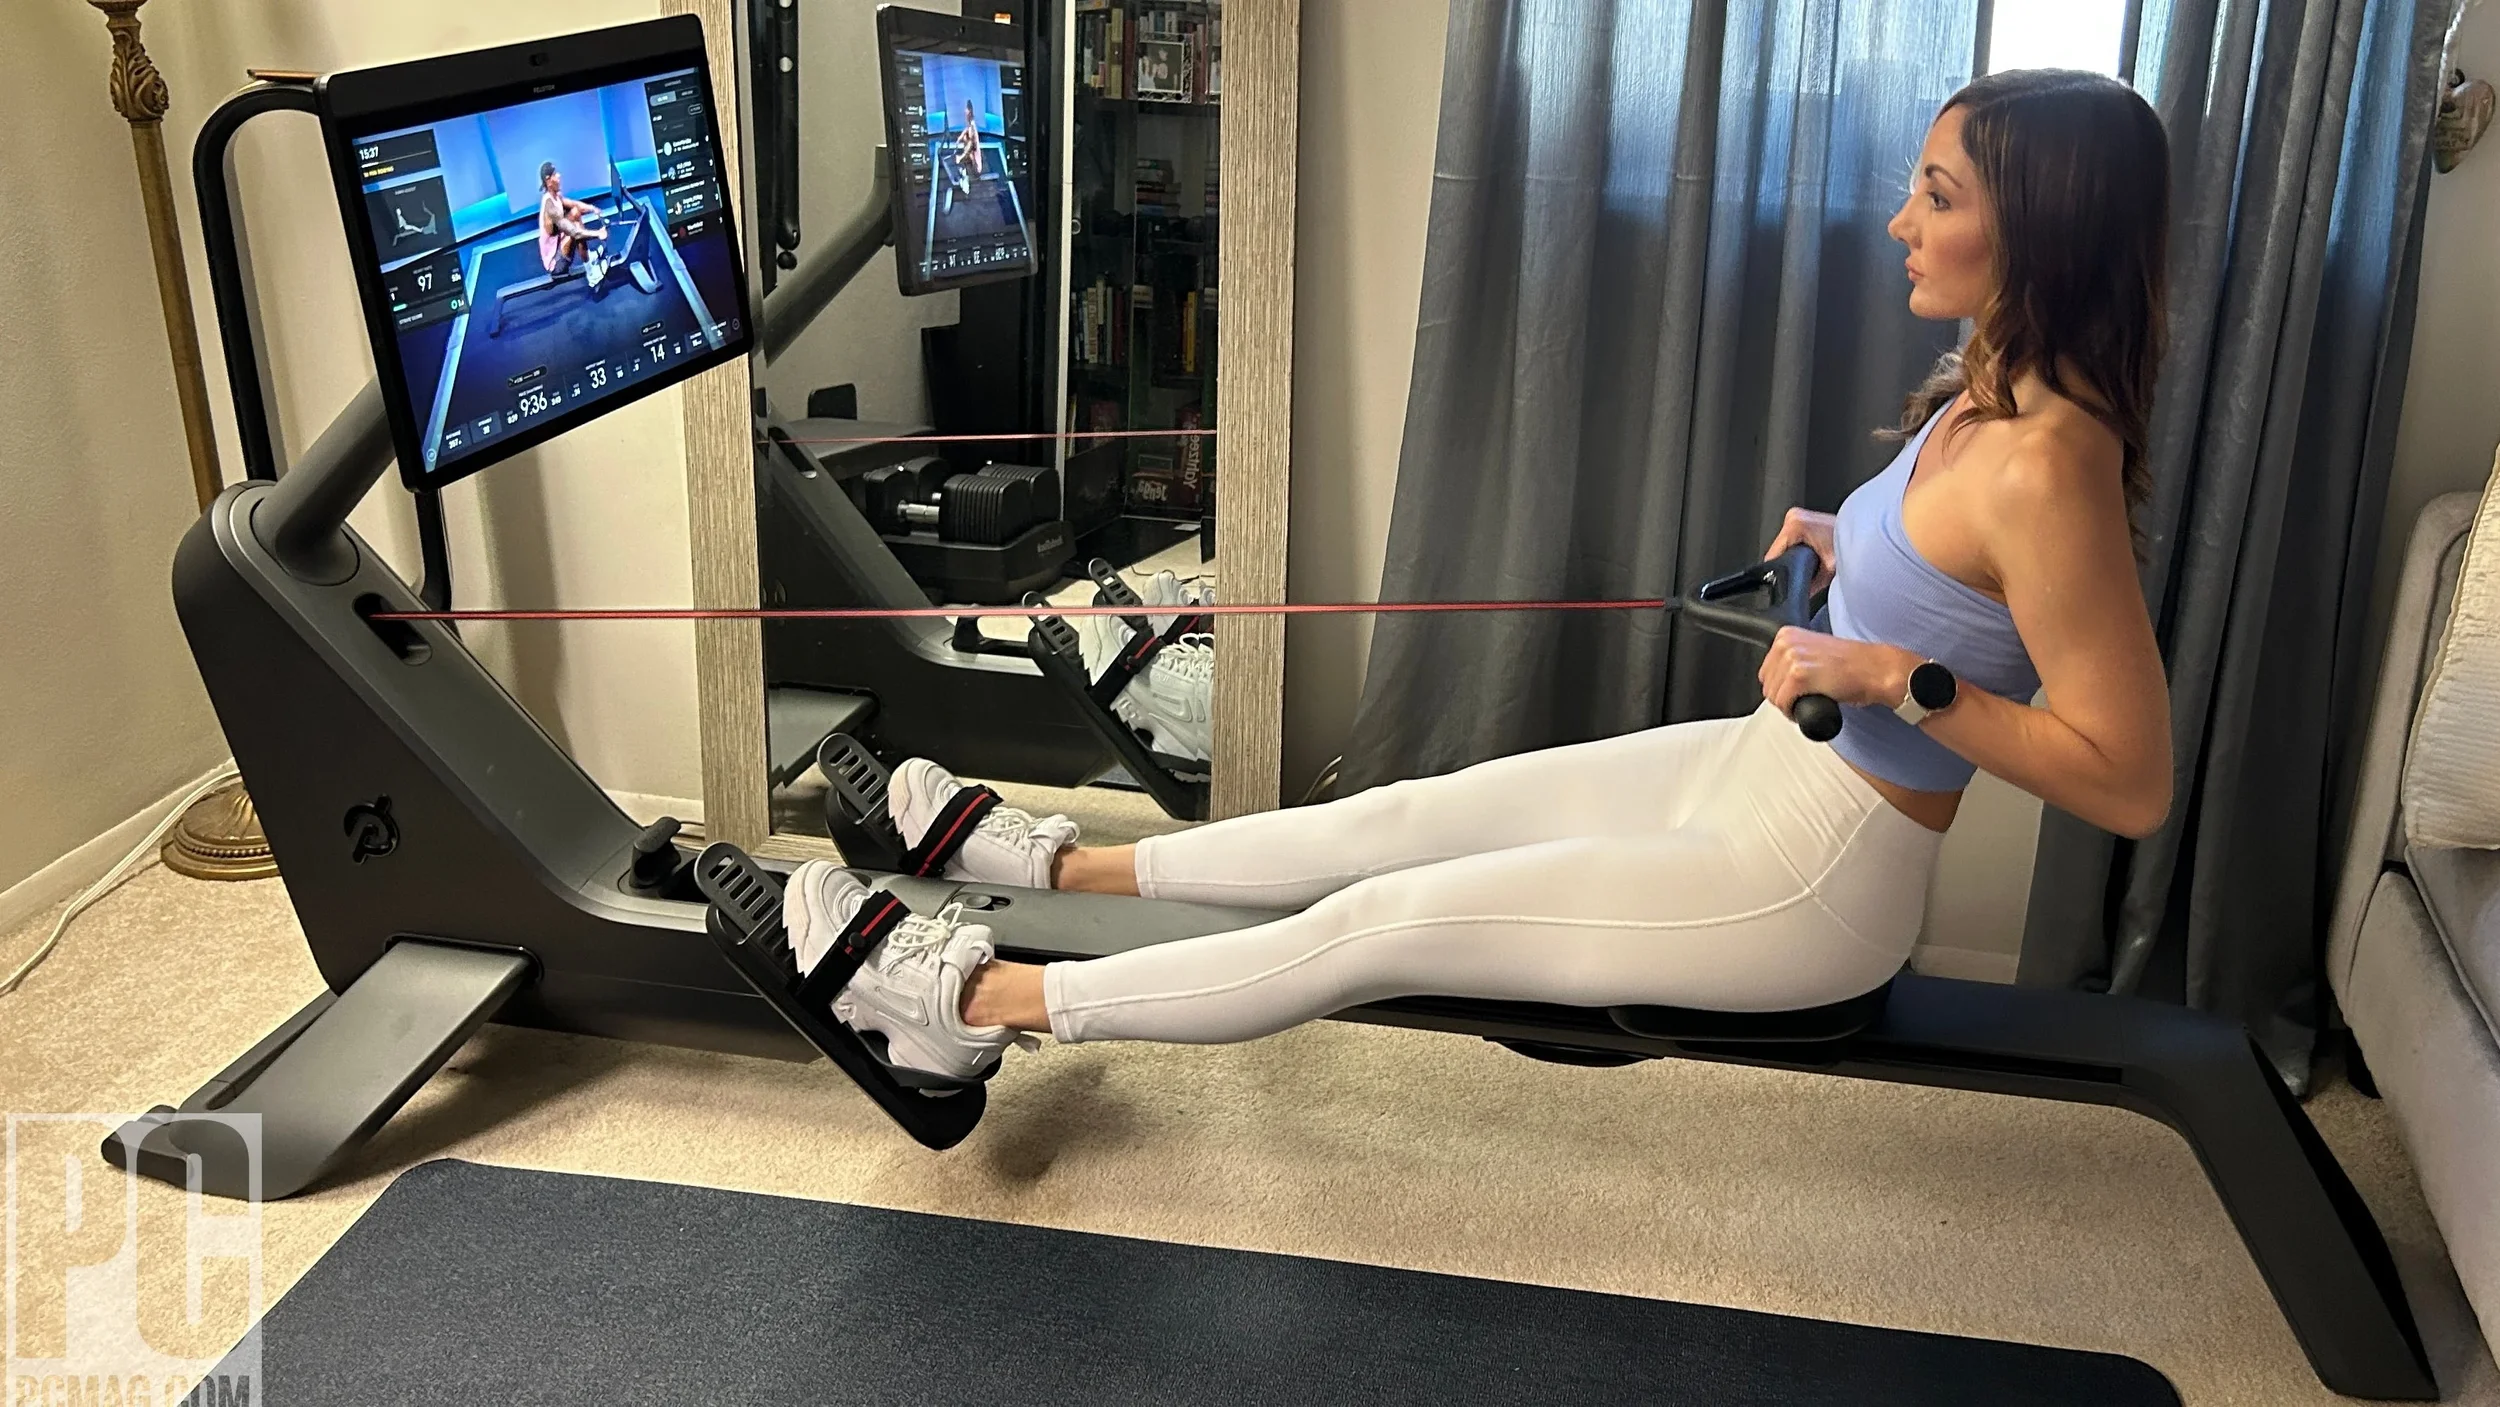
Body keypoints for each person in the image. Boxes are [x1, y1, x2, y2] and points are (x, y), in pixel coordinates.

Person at [796, 69, 2178, 1081]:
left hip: (1815, 874)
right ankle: (1065, 863)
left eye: (1937, 195)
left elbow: (2126, 775)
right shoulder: (1983, 394)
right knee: (1401, 816)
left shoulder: (2051, 460)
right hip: (1756, 769)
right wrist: (1846, 543)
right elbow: (1954, 580)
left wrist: (1894, 671)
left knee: (1380, 921)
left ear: (2041, 228)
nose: (1899, 222)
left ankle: (975, 1008)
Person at [535, 161, 608, 285]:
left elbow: (574, 204)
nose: (559, 176)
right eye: (555, 174)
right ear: (548, 180)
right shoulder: (550, 207)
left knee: (575, 212)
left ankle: (588, 256)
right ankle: (591, 274)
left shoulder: (555, 196)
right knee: (576, 228)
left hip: (560, 246)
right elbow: (574, 233)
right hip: (556, 265)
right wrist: (598, 233)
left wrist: (592, 208)